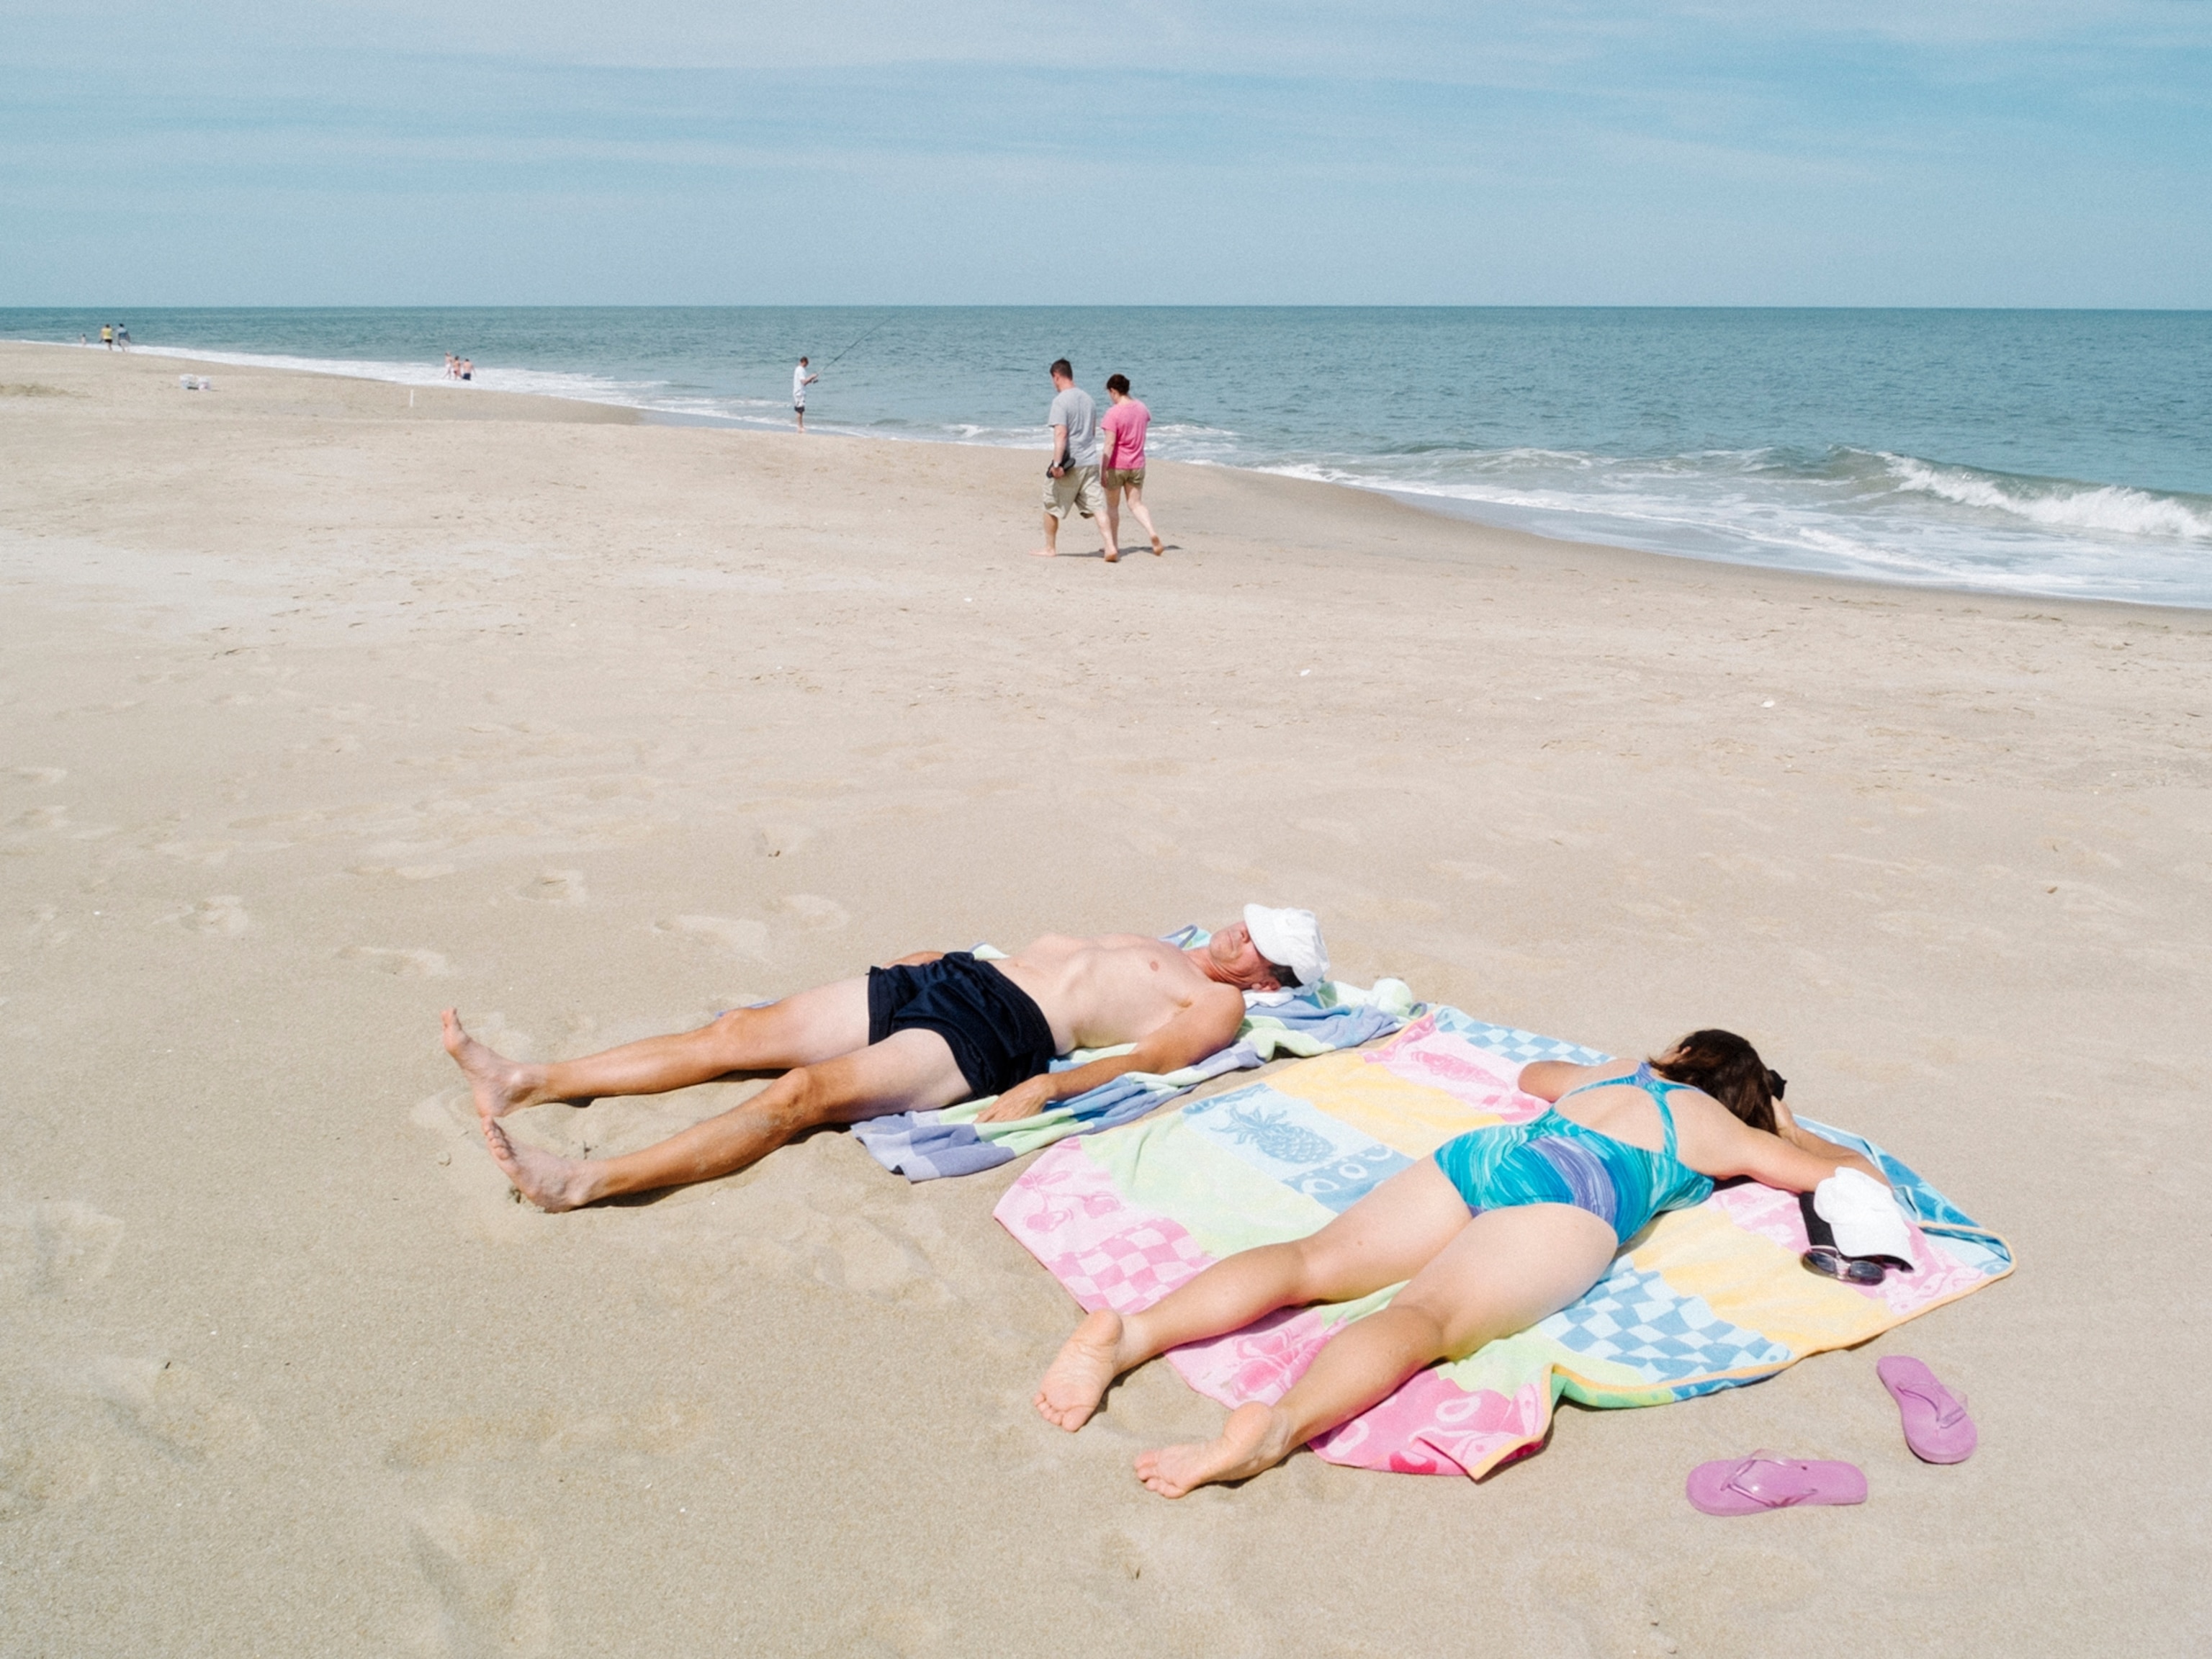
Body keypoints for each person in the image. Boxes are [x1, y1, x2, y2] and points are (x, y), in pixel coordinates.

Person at [1034, 1029, 1888, 1498]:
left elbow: (1530, 1069)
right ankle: (1277, 1427)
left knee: (1313, 1260)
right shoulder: (1715, 1126)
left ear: (1677, 1054)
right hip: (1579, 1190)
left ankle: (1132, 1335)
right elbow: (1846, 1176)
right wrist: (1786, 1127)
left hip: (1498, 1150)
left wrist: (1631, 1067)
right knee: (1423, 1321)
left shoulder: (1614, 1070)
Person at [442, 906, 1329, 1213]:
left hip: (1000, 1030)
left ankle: (587, 1181)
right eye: (1250, 919)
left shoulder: (1220, 1003)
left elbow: (1157, 1057)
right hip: (958, 978)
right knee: (736, 1036)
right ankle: (528, 1080)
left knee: (801, 1096)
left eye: (1260, 940)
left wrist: (1050, 1086)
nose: (1238, 931)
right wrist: (939, 958)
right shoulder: (1167, 940)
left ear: (1274, 978)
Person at [1030, 359, 1118, 562]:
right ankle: (1110, 546)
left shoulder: (1061, 401)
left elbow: (1061, 434)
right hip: (1090, 461)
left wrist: (1057, 464)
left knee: (1051, 503)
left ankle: (1050, 548)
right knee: (1098, 506)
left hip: (1071, 465)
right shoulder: (1089, 400)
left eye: (1053, 380)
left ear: (1057, 376)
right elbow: (1092, 432)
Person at [1098, 374, 1163, 558]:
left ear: (1113, 391)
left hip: (1117, 465)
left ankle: (1113, 545)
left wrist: (1103, 469)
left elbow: (1109, 444)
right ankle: (1151, 532)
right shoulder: (1142, 408)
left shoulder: (1113, 413)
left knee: (1112, 506)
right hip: (1137, 463)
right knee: (1136, 504)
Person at [792, 356, 817, 431]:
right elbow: (804, 382)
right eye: (807, 363)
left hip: (799, 392)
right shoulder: (800, 370)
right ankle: (800, 427)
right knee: (800, 410)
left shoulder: (799, 369)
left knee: (801, 410)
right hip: (799, 393)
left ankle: (801, 426)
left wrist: (811, 380)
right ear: (804, 362)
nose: (807, 365)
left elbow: (804, 382)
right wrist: (812, 376)